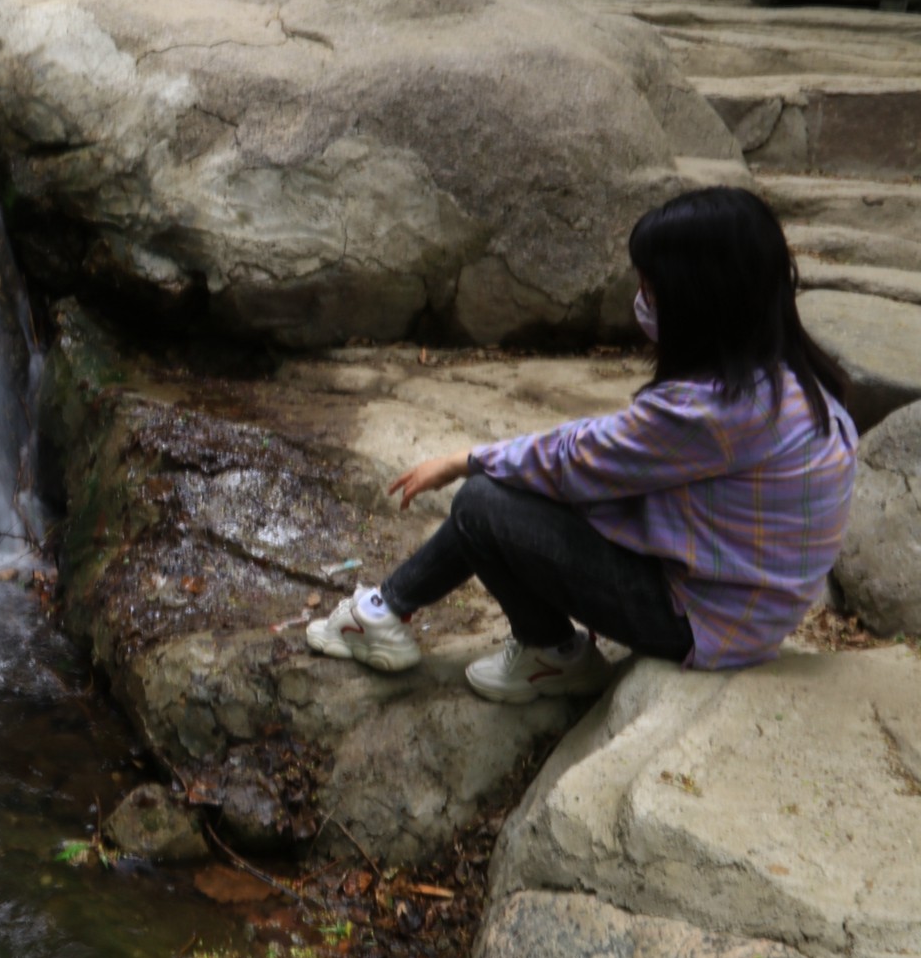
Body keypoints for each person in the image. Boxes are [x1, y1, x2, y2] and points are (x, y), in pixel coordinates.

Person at [307, 186, 858, 704]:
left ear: (696, 299)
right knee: (527, 485)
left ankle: (547, 651)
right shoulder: (788, 378)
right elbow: (602, 455)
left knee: (482, 501)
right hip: (738, 606)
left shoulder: (717, 409)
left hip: (699, 621)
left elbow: (575, 460)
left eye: (651, 287)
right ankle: (387, 609)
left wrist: (462, 460)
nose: (642, 299)